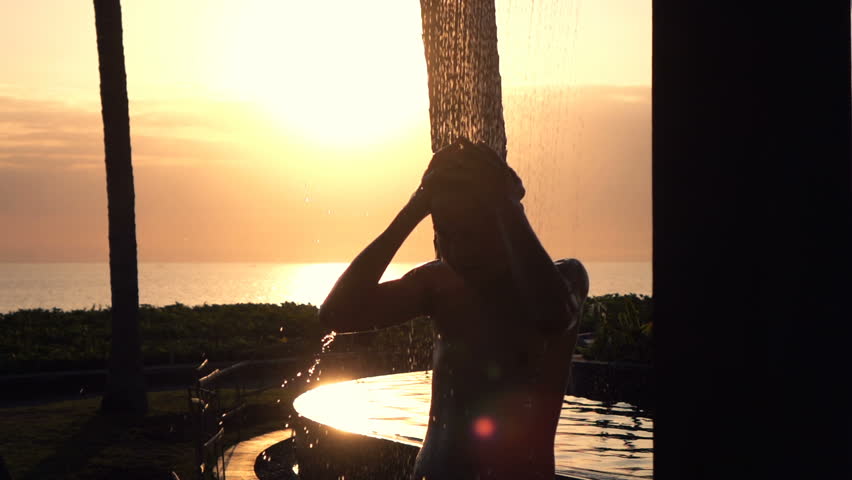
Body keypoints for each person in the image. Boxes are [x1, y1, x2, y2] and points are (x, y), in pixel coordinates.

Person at [319, 137, 589, 480]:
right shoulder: (438, 284)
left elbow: (553, 316)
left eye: (475, 232)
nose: (461, 250)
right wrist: (415, 208)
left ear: (505, 220)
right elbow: (335, 315)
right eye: (447, 233)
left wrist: (505, 201)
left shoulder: (564, 280)